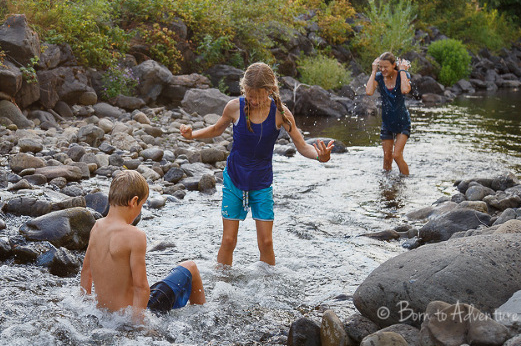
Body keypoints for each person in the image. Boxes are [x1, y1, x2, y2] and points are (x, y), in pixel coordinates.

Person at [179, 62, 333, 267]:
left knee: (266, 242)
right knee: (228, 240)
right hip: (234, 179)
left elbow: (303, 146)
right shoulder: (234, 107)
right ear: (244, 89)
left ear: (270, 91)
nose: (254, 101)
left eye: (259, 97)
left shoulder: (281, 113)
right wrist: (192, 135)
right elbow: (216, 129)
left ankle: (267, 287)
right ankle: (223, 285)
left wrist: (319, 157)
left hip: (261, 183)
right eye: (250, 96)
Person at [80, 170, 205, 322]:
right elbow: (141, 287)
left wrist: (86, 307)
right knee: (190, 266)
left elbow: (86, 271)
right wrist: (139, 326)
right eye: (142, 205)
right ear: (134, 202)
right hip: (132, 316)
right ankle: (202, 315)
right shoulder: (135, 235)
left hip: (105, 316)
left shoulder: (97, 227)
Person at [365, 52, 412, 175]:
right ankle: (387, 189)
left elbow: (405, 90)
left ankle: (405, 183)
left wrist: (402, 71)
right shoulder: (379, 77)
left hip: (402, 123)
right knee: (387, 158)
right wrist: (374, 71)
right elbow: (369, 91)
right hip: (387, 122)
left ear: (393, 65)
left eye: (386, 67)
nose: (383, 69)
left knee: (396, 155)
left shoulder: (403, 74)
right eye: (381, 66)